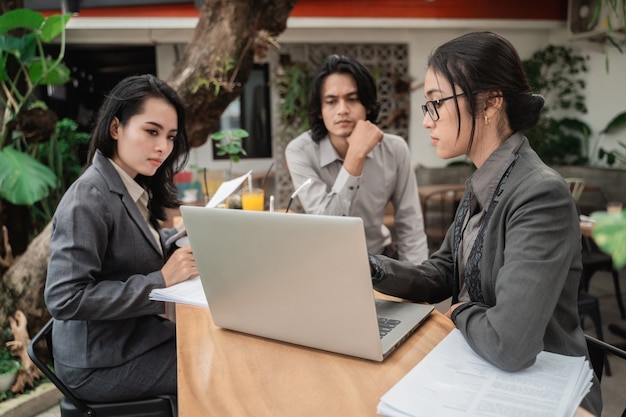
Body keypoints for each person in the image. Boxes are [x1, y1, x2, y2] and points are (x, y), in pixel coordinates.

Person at [368, 32, 602, 416]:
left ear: (491, 103)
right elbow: (443, 272)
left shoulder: (540, 194)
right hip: (482, 370)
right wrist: (374, 268)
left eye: (436, 103)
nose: (428, 120)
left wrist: (459, 310)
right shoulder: (485, 180)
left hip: (544, 389)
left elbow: (510, 344)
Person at [45, 74, 198, 416]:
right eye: (151, 131)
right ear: (116, 128)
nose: (163, 147)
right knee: (219, 365)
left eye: (170, 137)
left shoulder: (130, 187)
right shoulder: (89, 197)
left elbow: (125, 254)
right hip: (97, 363)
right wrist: (161, 280)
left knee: (220, 346)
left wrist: (180, 242)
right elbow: (64, 298)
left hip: (130, 341)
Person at [285, 55, 429, 264]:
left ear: (368, 106)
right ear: (320, 111)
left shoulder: (394, 149)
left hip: (379, 261)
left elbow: (410, 224)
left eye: (352, 99)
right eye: (331, 101)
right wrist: (356, 155)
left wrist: (417, 284)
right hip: (322, 262)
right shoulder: (300, 151)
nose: (342, 110)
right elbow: (328, 227)